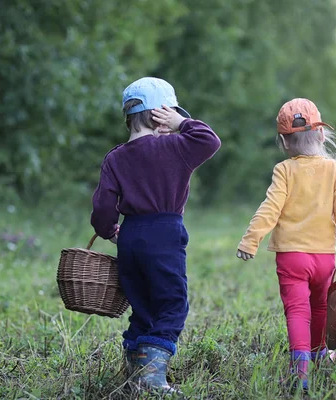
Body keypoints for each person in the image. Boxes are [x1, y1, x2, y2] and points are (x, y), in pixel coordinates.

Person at [91, 77, 221, 392]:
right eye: (169, 114)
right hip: (164, 233)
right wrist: (183, 122)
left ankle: (135, 371)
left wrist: (109, 231)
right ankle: (150, 376)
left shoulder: (115, 157)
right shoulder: (175, 146)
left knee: (143, 305)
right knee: (172, 304)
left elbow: (103, 206)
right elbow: (210, 140)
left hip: (131, 237)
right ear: (157, 117)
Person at [236, 98, 336, 392]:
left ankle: (301, 372)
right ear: (321, 134)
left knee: (297, 311)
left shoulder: (284, 170)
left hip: (291, 257)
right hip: (324, 259)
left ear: (283, 141)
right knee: (321, 306)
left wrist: (251, 240)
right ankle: (319, 351)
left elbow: (270, 207)